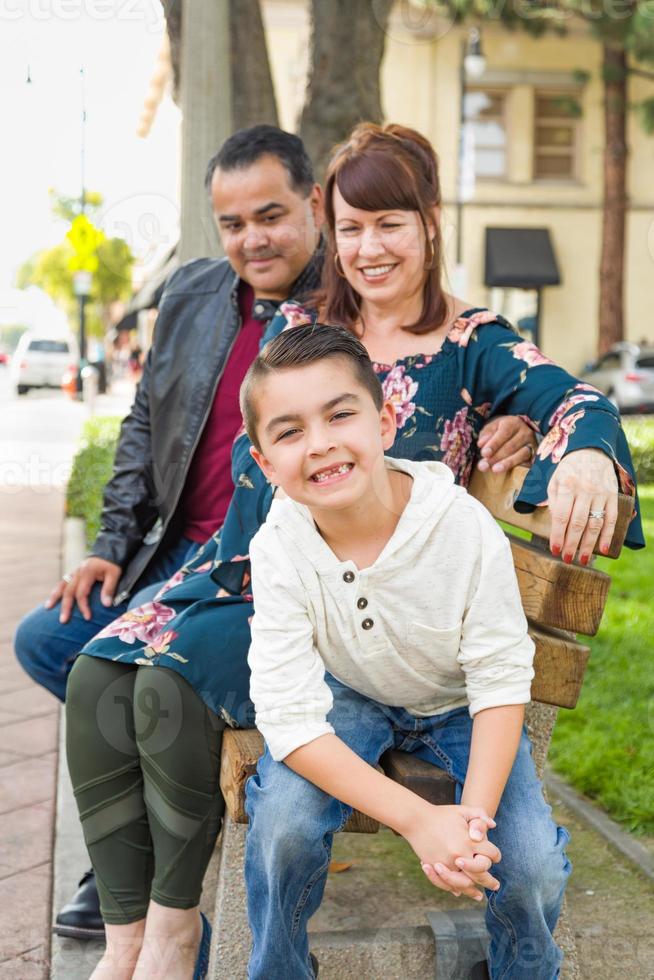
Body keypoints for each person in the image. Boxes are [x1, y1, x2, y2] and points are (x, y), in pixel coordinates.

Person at [63, 123, 642, 979]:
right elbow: (261, 469)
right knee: (93, 674)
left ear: (431, 222)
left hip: (400, 609)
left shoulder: (473, 341)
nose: (368, 249)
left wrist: (583, 449)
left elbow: (575, 400)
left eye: (390, 224)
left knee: (157, 685)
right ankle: (135, 939)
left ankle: (175, 926)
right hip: (275, 577)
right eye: (350, 228)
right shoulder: (305, 325)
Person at [241, 323, 568, 980]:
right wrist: (422, 822)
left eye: (341, 415)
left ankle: (517, 968)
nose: (322, 443)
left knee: (528, 864)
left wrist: (469, 828)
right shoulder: (279, 545)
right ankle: (278, 968)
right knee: (283, 824)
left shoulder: (459, 526)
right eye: (290, 430)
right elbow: (290, 717)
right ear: (265, 462)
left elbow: (500, 679)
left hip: (458, 704)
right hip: (347, 695)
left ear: (386, 420)